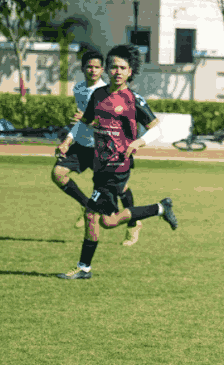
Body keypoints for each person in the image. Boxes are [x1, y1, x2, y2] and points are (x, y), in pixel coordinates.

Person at [55, 44, 178, 280]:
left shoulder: (133, 99)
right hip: (100, 163)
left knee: (91, 214)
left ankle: (83, 268)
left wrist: (136, 144)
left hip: (118, 166)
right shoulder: (97, 95)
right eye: (113, 67)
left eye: (122, 68)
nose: (117, 72)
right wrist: (68, 141)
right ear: (107, 70)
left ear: (130, 72)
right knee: (109, 221)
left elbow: (155, 128)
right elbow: (86, 122)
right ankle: (160, 208)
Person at [52, 49, 145, 246]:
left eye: (97, 67)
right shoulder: (79, 89)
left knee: (122, 190)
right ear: (83, 68)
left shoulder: (111, 90)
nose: (93, 71)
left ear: (103, 69)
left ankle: (133, 225)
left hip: (107, 148)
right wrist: (68, 140)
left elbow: (115, 124)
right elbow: (82, 120)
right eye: (89, 67)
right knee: (58, 173)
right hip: (84, 144)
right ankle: (86, 205)